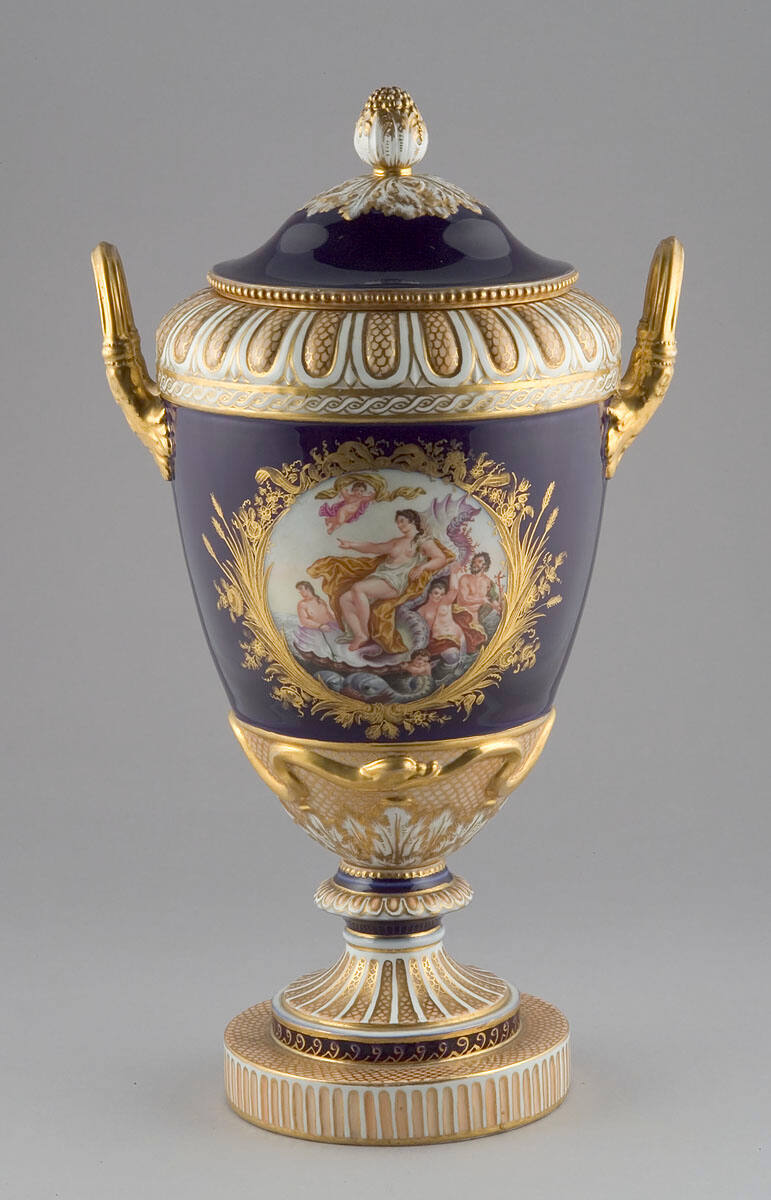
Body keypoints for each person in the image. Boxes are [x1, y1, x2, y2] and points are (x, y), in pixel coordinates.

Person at [318, 509, 450, 652]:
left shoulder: (423, 541)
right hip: (381, 577)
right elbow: (374, 548)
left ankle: (364, 634)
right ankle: (359, 633)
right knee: (344, 599)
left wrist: (423, 567)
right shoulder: (396, 542)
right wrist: (351, 545)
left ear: (412, 521)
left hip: (397, 581)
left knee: (358, 587)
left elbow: (440, 558)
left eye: (402, 521)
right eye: (397, 522)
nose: (399, 525)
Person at [456, 552, 501, 623]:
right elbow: (463, 600)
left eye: (479, 562)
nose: (475, 564)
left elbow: (493, 599)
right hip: (465, 615)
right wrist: (482, 600)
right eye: (474, 562)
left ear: (485, 565)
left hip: (482, 616)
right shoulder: (465, 578)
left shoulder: (488, 582)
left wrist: (498, 607)